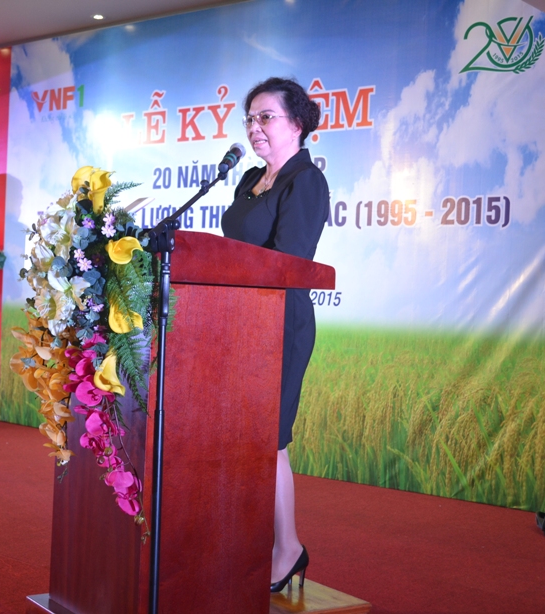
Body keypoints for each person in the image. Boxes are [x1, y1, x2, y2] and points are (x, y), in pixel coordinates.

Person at [221, 77, 329, 593]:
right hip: (238, 321)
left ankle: (287, 548)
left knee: (269, 440)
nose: (255, 127)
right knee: (246, 439)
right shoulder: (249, 179)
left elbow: (289, 261)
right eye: (250, 118)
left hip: (280, 323)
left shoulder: (305, 181)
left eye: (266, 117)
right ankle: (260, 542)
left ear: (297, 124)